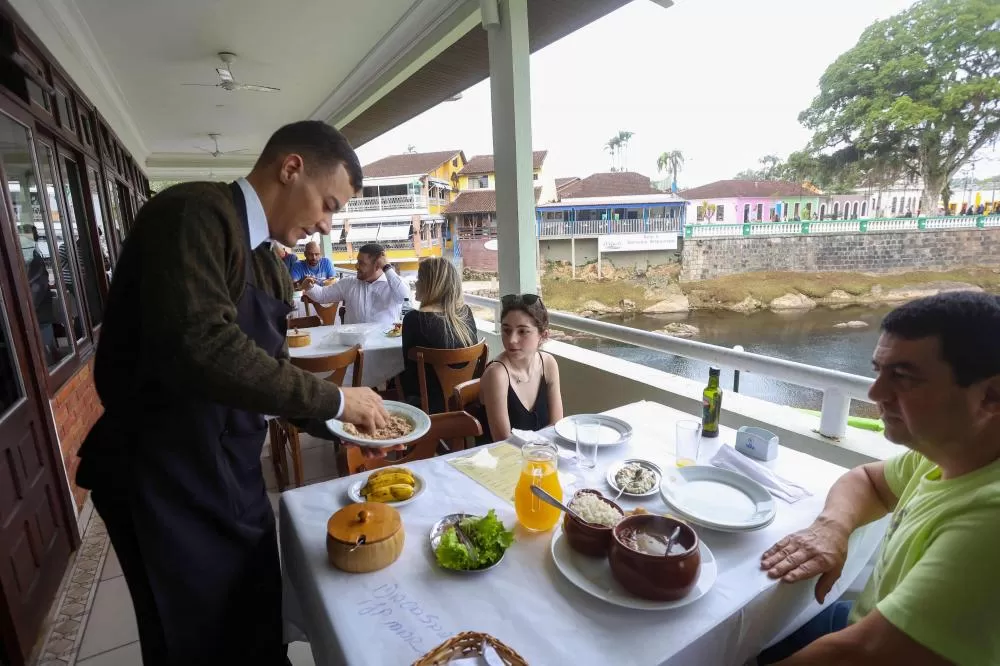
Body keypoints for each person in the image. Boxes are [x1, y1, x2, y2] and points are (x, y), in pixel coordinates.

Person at [76, 120, 396, 666]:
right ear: (290, 168)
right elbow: (202, 345)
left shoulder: (269, 264)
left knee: (252, 615)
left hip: (228, 468)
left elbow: (269, 377)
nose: (325, 225)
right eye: (328, 204)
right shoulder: (192, 215)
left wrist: (345, 423)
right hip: (164, 473)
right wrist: (339, 401)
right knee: (193, 639)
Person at [757, 291, 1000, 666]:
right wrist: (831, 528)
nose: (875, 394)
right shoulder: (946, 452)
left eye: (903, 377)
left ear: (991, 396)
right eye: (878, 372)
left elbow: (861, 654)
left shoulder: (988, 524)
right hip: (867, 621)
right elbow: (867, 481)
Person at [480, 294, 563, 442]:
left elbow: (557, 425)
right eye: (506, 330)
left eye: (522, 331)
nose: (512, 340)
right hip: (501, 460)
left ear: (543, 335)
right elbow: (503, 441)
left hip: (540, 458)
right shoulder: (497, 374)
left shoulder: (548, 364)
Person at [400, 257, 477, 413]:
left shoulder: (414, 320)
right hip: (467, 402)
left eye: (419, 278)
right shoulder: (466, 313)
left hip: (426, 407)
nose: (416, 283)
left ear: (431, 285)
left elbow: (407, 370)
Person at [301, 242, 408, 326]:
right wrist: (309, 286)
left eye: (361, 263)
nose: (356, 266)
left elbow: (404, 298)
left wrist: (387, 267)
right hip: (354, 347)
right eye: (357, 261)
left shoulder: (394, 285)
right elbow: (323, 295)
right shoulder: (349, 283)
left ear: (377, 266)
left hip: (385, 347)